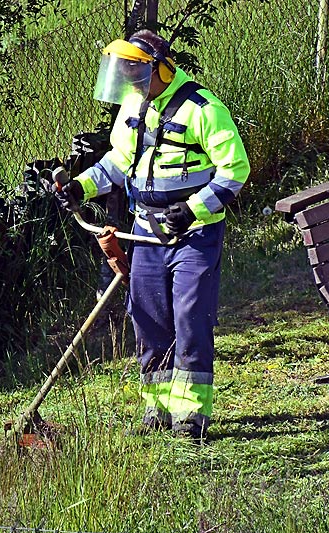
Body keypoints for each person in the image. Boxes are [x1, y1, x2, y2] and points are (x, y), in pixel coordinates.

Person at [54, 29, 250, 440]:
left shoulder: (203, 108)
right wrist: (79, 187)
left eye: (136, 73)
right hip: (144, 232)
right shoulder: (133, 105)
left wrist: (194, 209)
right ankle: (158, 407)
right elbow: (116, 163)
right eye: (124, 74)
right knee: (147, 317)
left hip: (195, 235)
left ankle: (191, 416)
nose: (130, 83)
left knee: (190, 318)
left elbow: (235, 169)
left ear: (161, 68)